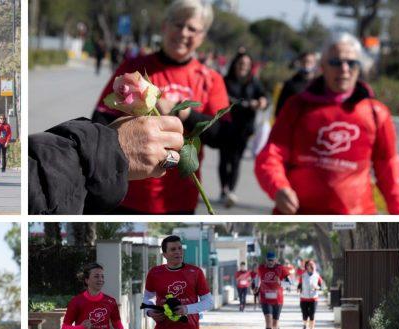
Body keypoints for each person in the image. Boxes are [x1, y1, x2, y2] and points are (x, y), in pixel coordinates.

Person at [92, 0, 231, 214]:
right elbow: (99, 121)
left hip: (179, 200)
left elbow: (223, 136)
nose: (183, 33)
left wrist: (184, 112)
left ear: (202, 36)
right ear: (165, 26)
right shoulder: (133, 68)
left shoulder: (211, 79)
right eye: (178, 24)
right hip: (127, 195)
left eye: (192, 28)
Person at [255, 32, 399, 214]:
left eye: (351, 63)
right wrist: (278, 187)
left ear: (359, 67)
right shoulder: (297, 106)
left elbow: (390, 172)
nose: (344, 69)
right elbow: (271, 156)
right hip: (300, 217)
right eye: (336, 62)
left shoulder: (376, 113)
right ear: (322, 66)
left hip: (356, 220)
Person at [29, 116, 184, 214]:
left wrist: (188, 115)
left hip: (179, 199)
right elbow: (101, 117)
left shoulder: (199, 78)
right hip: (131, 200)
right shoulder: (132, 74)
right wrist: (113, 148)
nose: (177, 252)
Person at [221, 52, 268, 207]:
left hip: (244, 128)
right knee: (224, 159)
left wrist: (263, 101)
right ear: (235, 64)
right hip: (226, 125)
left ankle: (231, 191)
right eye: (241, 63)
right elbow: (226, 99)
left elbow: (263, 96)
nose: (243, 67)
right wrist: (247, 104)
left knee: (236, 160)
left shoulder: (254, 82)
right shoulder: (226, 80)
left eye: (247, 64)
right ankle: (223, 189)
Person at [256, 252, 288, 329]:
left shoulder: (281, 269)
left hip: (278, 300)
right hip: (265, 299)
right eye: (269, 260)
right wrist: (256, 287)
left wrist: (280, 282)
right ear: (266, 260)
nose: (270, 262)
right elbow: (257, 279)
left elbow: (289, 283)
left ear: (275, 260)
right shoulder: (261, 268)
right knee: (268, 321)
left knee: (275, 324)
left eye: (272, 260)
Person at [275, 51, 318, 116]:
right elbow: (280, 109)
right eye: (304, 62)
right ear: (300, 63)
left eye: (310, 62)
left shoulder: (320, 84)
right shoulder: (290, 84)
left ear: (315, 64)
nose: (307, 64)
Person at [298, 260, 324, 329]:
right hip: (304, 298)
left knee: (312, 315)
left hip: (313, 298)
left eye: (311, 266)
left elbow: (322, 287)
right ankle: (304, 325)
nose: (309, 267)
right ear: (306, 267)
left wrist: (317, 287)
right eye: (308, 266)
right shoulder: (303, 275)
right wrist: (298, 289)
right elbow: (299, 285)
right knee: (305, 315)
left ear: (313, 267)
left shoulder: (317, 275)